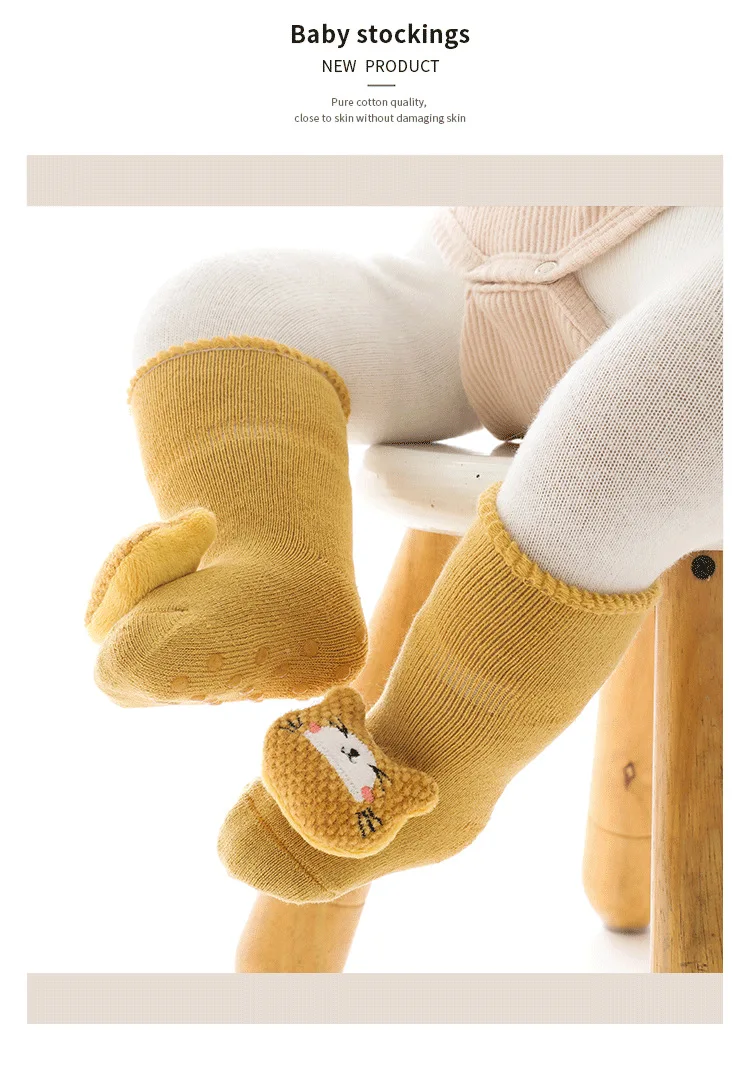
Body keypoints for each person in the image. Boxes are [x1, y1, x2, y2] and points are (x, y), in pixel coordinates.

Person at [86, 206, 722, 902]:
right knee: (208, 305)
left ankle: (431, 759)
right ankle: (268, 570)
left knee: (636, 430)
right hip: (492, 242)